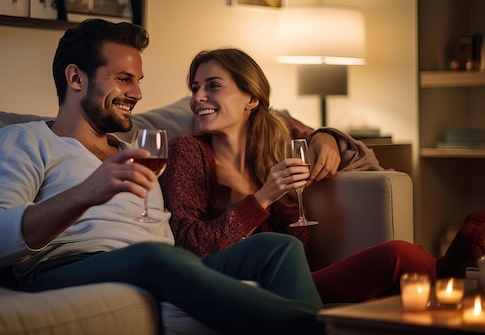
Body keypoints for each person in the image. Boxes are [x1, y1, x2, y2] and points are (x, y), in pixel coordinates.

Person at [0, 19, 326, 334]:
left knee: (279, 248)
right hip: (66, 267)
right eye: (124, 80)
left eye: (138, 81)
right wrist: (86, 193)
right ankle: (322, 328)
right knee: (156, 257)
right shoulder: (25, 140)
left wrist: (326, 136)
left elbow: (265, 118)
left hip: (165, 263)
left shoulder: (136, 150)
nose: (137, 94)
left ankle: (311, 323)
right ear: (76, 77)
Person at [159, 48, 485, 304]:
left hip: (292, 274)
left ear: (252, 98)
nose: (197, 97)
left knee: (402, 253)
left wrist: (325, 137)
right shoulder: (187, 152)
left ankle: (444, 274)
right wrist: (263, 198)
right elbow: (190, 244)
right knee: (399, 259)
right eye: (195, 88)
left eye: (212, 86)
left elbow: (297, 242)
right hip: (241, 283)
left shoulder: (275, 141)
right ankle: (447, 272)